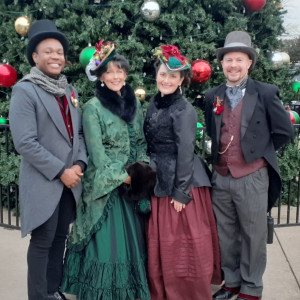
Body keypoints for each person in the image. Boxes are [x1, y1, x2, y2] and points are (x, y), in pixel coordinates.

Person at [205, 31, 294, 300]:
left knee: (254, 237)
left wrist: (257, 152)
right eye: (228, 59)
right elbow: (213, 130)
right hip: (221, 176)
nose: (233, 65)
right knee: (226, 234)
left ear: (249, 63)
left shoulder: (265, 92)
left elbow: (283, 131)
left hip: (253, 176)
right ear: (222, 63)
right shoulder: (212, 95)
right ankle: (231, 283)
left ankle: (251, 288)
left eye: (239, 59)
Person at [60, 40, 151, 300]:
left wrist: (141, 171)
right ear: (100, 76)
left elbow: (142, 143)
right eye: (109, 71)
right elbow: (97, 156)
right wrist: (125, 177)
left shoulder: (135, 105)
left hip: (132, 183)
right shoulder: (92, 108)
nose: (116, 76)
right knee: (109, 246)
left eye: (120, 70)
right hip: (106, 186)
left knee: (131, 245)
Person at [9, 19, 88, 300]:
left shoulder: (69, 90)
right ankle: (39, 296)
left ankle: (52, 291)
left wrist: (79, 164)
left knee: (60, 239)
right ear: (35, 57)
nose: (55, 56)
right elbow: (24, 143)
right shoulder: (25, 90)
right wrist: (61, 172)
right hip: (46, 181)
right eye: (48, 51)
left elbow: (78, 133)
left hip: (70, 182)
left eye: (59, 51)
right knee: (42, 242)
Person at [144, 45, 222, 300]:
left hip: (181, 181)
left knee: (181, 243)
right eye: (162, 74)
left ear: (181, 81)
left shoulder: (184, 109)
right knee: (163, 241)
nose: (166, 80)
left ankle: (185, 293)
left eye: (173, 77)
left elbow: (186, 151)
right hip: (159, 178)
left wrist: (181, 192)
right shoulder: (153, 104)